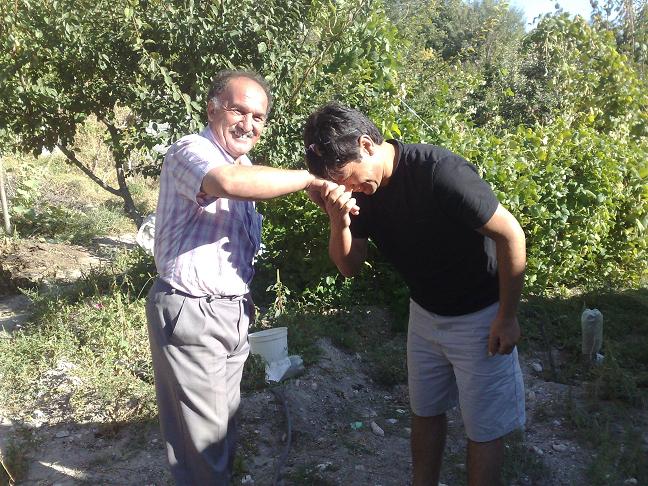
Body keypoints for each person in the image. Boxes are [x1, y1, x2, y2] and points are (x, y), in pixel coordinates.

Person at [303, 101, 526, 486]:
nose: (350, 190)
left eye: (349, 179)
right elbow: (349, 266)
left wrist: (507, 316)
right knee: (425, 411)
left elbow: (511, 234)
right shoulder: (360, 191)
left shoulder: (440, 173)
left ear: (366, 145)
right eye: (340, 184)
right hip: (424, 314)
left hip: (480, 316)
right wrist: (337, 221)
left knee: (484, 428)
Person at [146, 70, 330, 485]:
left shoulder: (243, 164)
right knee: (205, 443)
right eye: (238, 111)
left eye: (258, 117)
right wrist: (308, 178)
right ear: (212, 109)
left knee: (222, 429)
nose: (248, 124)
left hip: (231, 312)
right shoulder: (191, 150)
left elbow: (241, 184)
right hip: (193, 309)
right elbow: (225, 183)